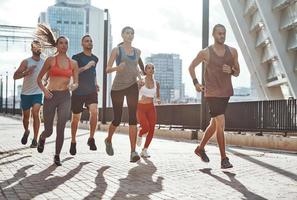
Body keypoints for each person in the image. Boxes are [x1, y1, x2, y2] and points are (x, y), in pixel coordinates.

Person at [188, 24, 240, 169]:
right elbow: (191, 67)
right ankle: (224, 158)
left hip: (226, 93)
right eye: (219, 34)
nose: (222, 36)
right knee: (221, 123)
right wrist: (196, 83)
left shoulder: (233, 51)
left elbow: (238, 72)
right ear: (213, 34)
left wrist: (231, 70)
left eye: (224, 34)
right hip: (211, 93)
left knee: (214, 124)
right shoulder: (205, 53)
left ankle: (200, 148)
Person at [35, 24, 79, 166]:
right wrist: (45, 90)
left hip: (65, 97)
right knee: (49, 130)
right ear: (57, 45)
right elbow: (39, 79)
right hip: (51, 96)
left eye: (66, 43)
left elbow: (76, 82)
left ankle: (57, 155)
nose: (64, 45)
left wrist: (73, 86)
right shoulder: (50, 60)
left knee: (61, 128)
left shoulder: (73, 63)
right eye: (61, 42)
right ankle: (42, 138)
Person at [105, 26, 144, 162]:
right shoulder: (117, 50)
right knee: (117, 119)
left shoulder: (138, 52)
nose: (130, 35)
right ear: (122, 35)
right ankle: (108, 139)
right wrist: (117, 67)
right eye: (127, 33)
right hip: (117, 88)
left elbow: (136, 68)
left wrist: (140, 79)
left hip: (132, 86)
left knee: (133, 118)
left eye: (132, 33)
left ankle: (133, 151)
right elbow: (107, 69)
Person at [70, 35, 99, 155]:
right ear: (82, 44)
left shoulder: (95, 58)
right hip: (78, 91)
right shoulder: (76, 57)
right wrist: (86, 66)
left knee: (95, 111)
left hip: (91, 90)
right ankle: (73, 141)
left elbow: (94, 73)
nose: (89, 42)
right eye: (87, 41)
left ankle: (91, 138)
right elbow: (74, 72)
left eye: (91, 41)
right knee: (76, 118)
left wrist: (96, 83)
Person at [13, 40, 44, 148]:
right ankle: (27, 131)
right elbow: (15, 76)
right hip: (26, 93)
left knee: (36, 113)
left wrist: (46, 83)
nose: (37, 48)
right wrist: (26, 72)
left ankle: (35, 139)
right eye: (35, 47)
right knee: (26, 117)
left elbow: (48, 75)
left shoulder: (44, 62)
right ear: (32, 49)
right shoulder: (26, 62)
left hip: (38, 92)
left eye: (39, 46)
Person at [136, 63, 161, 158]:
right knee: (145, 128)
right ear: (145, 70)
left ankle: (144, 150)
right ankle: (140, 134)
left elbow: (158, 96)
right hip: (140, 107)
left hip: (151, 107)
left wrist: (158, 100)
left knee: (152, 129)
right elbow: (134, 93)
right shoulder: (141, 81)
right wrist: (138, 87)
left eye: (152, 68)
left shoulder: (156, 83)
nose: (151, 69)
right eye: (149, 68)